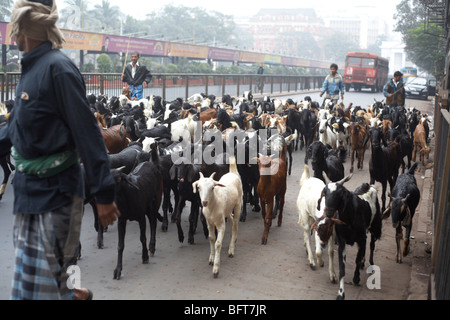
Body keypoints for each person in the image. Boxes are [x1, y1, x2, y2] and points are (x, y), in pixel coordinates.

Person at [0, 0, 120, 300]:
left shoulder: (58, 69)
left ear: (21, 30)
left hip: (56, 196)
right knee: (33, 283)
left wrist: (104, 194)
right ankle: (71, 294)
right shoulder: (30, 68)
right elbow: (15, 130)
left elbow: (88, 133)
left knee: (35, 291)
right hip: (28, 194)